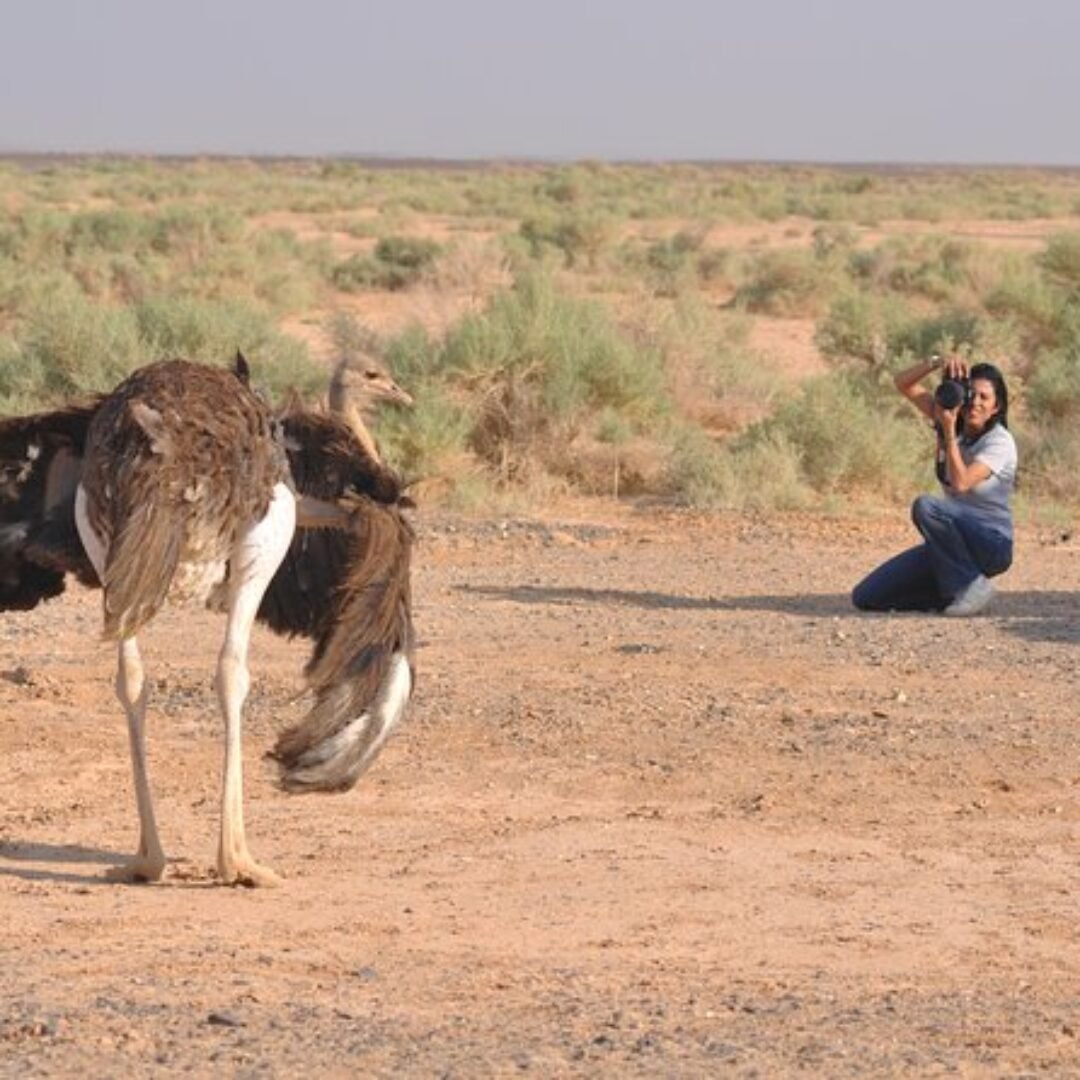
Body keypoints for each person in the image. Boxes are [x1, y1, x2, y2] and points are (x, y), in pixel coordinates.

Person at [852, 355, 1017, 616]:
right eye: (971, 394)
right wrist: (937, 362)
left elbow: (961, 483)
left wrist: (949, 434)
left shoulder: (1000, 442)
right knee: (866, 597)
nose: (975, 403)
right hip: (951, 544)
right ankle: (952, 592)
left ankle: (972, 585)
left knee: (926, 506)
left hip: (991, 545)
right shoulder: (950, 417)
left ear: (996, 407)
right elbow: (902, 383)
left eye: (984, 398)